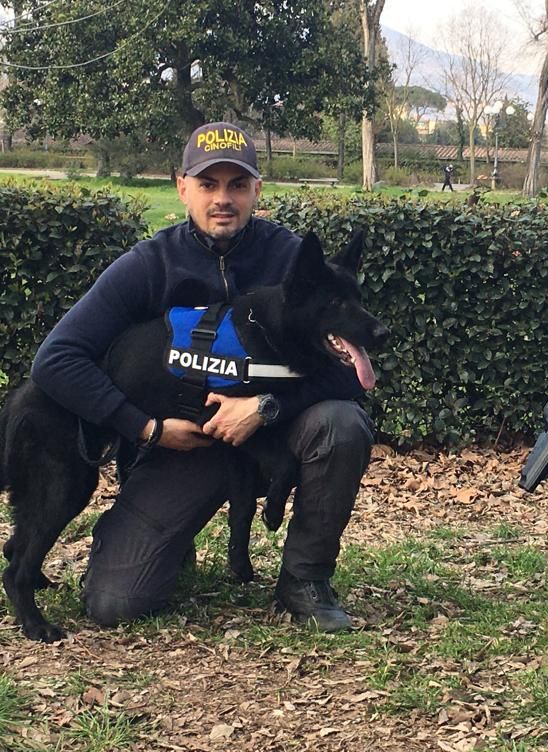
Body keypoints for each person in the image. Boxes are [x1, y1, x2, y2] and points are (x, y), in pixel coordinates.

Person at [30, 122, 374, 633]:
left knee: (341, 423)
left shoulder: (293, 260)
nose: (223, 199)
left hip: (273, 440)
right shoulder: (149, 265)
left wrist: (266, 408)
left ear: (257, 190)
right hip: (181, 448)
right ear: (182, 187)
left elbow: (351, 376)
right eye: (208, 184)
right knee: (115, 603)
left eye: (237, 184)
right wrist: (144, 427)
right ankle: (155, 540)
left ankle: (306, 578)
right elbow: (56, 359)